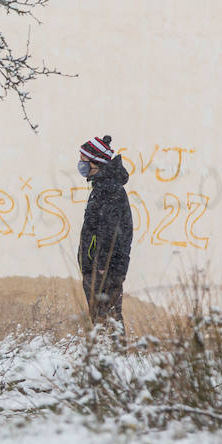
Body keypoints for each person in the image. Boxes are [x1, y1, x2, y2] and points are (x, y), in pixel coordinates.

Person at [76, 135, 134, 332]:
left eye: (84, 161)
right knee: (104, 320)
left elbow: (109, 230)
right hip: (101, 269)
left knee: (107, 320)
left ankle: (113, 358)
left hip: (105, 270)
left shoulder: (109, 190)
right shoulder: (102, 187)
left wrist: (101, 265)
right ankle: (109, 358)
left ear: (96, 162)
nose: (80, 165)